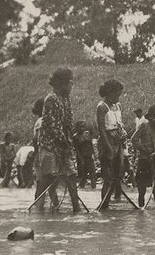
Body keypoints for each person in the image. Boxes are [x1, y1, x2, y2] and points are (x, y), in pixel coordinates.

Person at [36, 68, 81, 213]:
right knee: (47, 179)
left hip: (64, 144)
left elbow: (69, 121)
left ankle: (76, 209)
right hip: (50, 146)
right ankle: (38, 210)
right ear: (62, 83)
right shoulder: (51, 99)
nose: (72, 85)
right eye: (70, 82)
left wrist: (68, 142)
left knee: (71, 176)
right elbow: (52, 125)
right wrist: (64, 142)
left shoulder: (65, 98)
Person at [97, 79, 128, 210]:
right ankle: (104, 205)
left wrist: (123, 138)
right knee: (108, 176)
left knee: (118, 174)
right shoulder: (102, 106)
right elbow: (101, 129)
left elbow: (120, 123)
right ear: (109, 93)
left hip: (118, 141)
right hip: (107, 142)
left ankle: (113, 202)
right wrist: (109, 148)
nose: (118, 98)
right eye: (116, 95)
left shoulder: (118, 106)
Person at [131, 105, 155, 207]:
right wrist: (143, 149)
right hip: (143, 160)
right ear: (153, 117)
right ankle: (141, 209)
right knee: (141, 190)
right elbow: (134, 139)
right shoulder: (144, 126)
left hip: (154, 160)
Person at [73, 121, 96, 189]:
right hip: (81, 156)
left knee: (92, 171)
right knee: (83, 173)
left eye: (83, 126)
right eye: (81, 126)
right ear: (77, 128)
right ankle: (82, 185)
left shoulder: (87, 134)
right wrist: (81, 158)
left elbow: (90, 144)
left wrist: (93, 154)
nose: (82, 128)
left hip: (88, 155)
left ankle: (93, 187)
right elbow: (77, 149)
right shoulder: (75, 136)